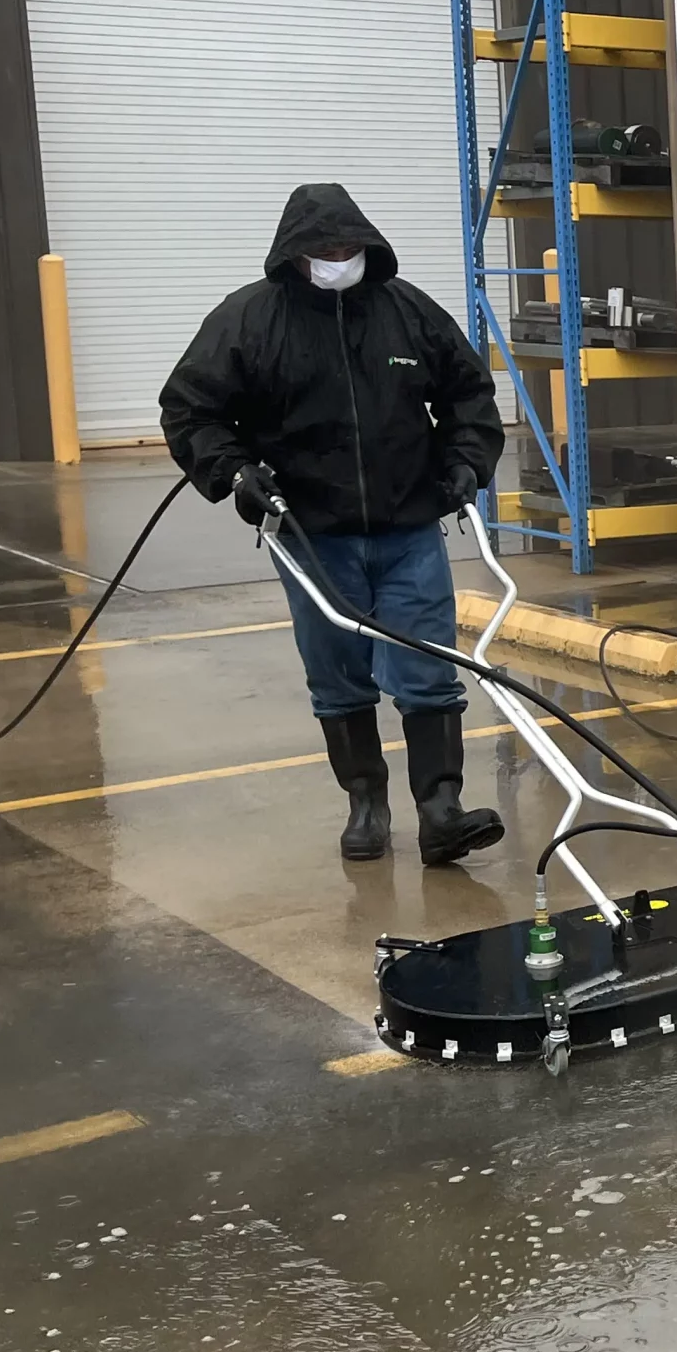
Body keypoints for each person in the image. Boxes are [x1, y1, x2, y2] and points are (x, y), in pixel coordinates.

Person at [159, 183, 507, 867]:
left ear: (368, 246)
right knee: (338, 675)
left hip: (409, 527)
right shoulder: (249, 322)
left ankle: (440, 811)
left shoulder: (408, 313)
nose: (337, 259)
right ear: (295, 255)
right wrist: (234, 471)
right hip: (310, 535)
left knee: (429, 670)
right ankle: (366, 804)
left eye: (348, 248)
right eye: (323, 250)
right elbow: (190, 410)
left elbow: (469, 393)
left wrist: (467, 463)